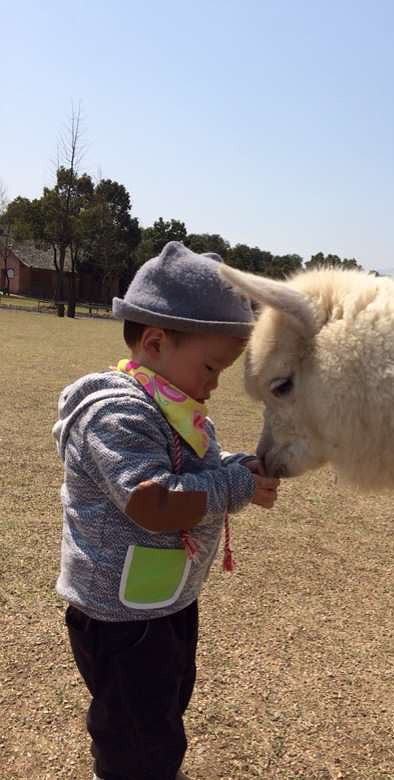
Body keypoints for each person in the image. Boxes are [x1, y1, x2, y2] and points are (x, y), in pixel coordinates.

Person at [52, 242, 279, 780]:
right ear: (154, 342)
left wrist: (234, 465)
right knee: (137, 737)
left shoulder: (176, 404)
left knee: (162, 710)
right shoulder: (116, 412)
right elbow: (152, 502)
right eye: (211, 366)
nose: (215, 384)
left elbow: (196, 467)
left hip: (165, 600)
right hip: (122, 618)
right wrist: (232, 486)